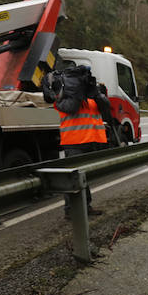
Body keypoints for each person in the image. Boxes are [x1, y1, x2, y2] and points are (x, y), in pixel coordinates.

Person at [44, 67, 111, 218]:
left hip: (91, 141)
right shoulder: (63, 98)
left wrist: (95, 93)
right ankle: (71, 210)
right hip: (74, 143)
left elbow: (106, 107)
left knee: (83, 178)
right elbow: (71, 108)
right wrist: (77, 94)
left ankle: (86, 206)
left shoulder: (92, 97)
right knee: (73, 179)